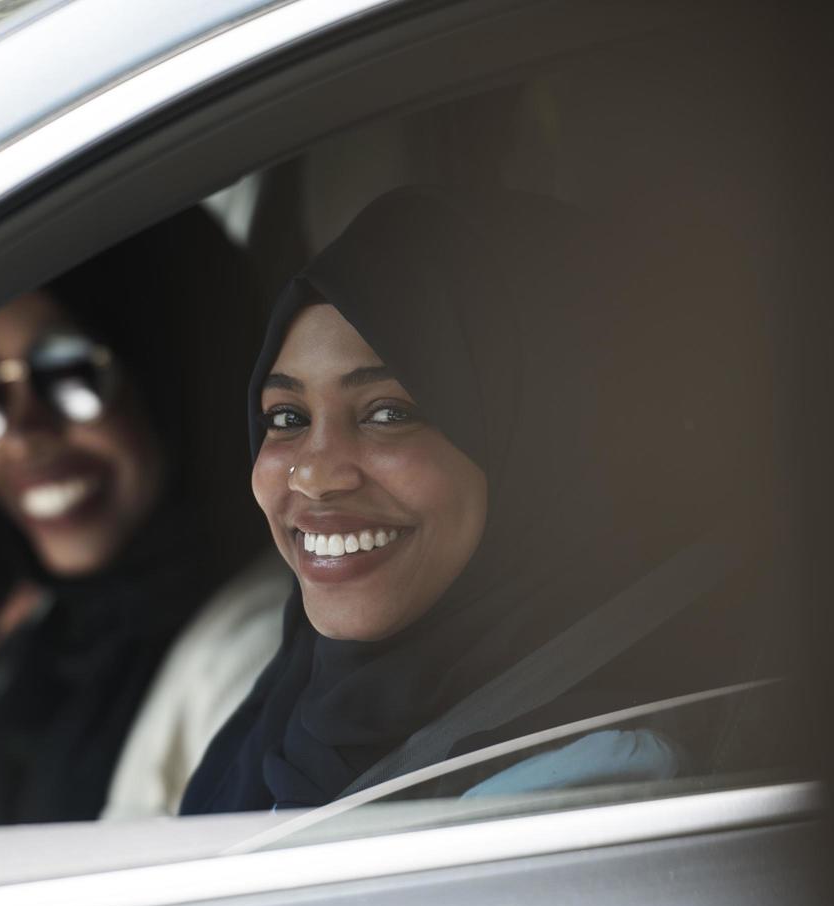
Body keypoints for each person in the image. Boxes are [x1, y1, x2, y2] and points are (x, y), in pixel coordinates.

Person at [181, 187, 782, 815]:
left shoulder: (583, 782)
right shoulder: (299, 702)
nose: (313, 475)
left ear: (545, 446)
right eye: (287, 416)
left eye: (389, 412)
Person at [0, 207, 285, 825]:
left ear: (179, 371)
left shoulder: (259, 654)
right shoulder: (47, 643)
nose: (22, 435)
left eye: (68, 372)